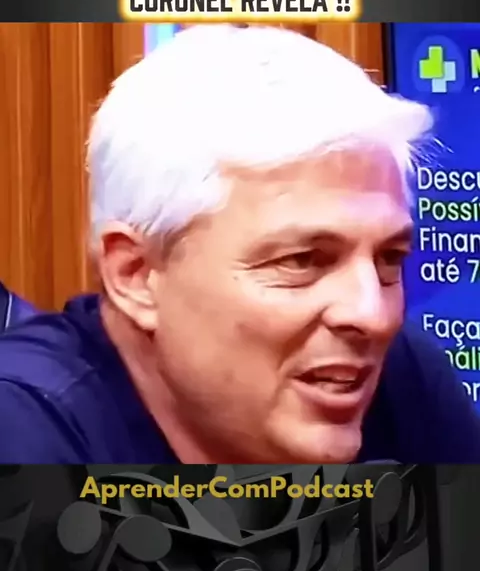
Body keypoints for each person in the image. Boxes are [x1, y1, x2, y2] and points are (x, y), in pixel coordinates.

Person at [0, 24, 479, 464]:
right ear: (137, 276)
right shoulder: (23, 429)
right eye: (302, 261)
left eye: (389, 259)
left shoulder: (400, 379)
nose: (373, 316)